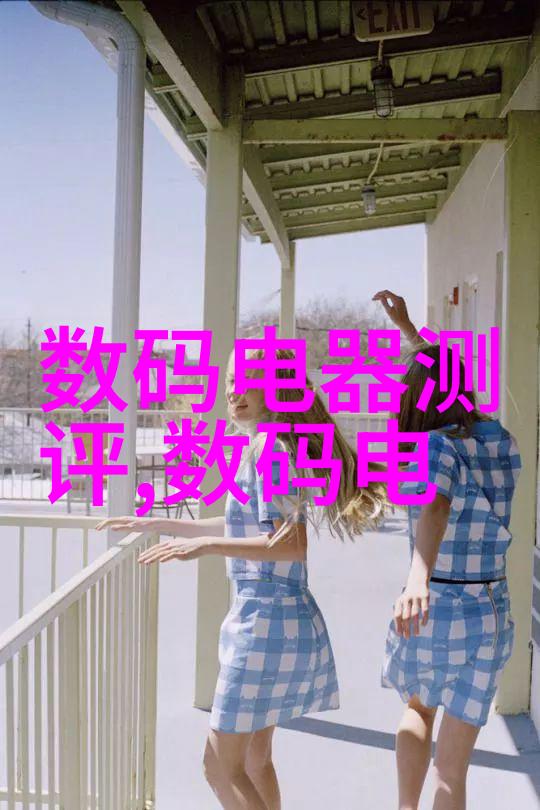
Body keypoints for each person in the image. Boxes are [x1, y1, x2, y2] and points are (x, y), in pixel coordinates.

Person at [97, 345, 387, 810]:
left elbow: (291, 544)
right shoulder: (266, 446)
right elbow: (243, 526)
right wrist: (158, 523)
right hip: (280, 619)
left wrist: (206, 548)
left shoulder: (270, 451)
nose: (234, 391)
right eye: (231, 380)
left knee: (218, 766)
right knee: (255, 760)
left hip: (264, 624)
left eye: (248, 380)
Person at [373, 290, 521, 810]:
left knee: (418, 711)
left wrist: (417, 579)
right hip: (492, 610)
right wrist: (410, 331)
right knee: (453, 771)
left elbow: (435, 506)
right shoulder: (501, 439)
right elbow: (442, 373)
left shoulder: (433, 446)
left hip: (438, 604)